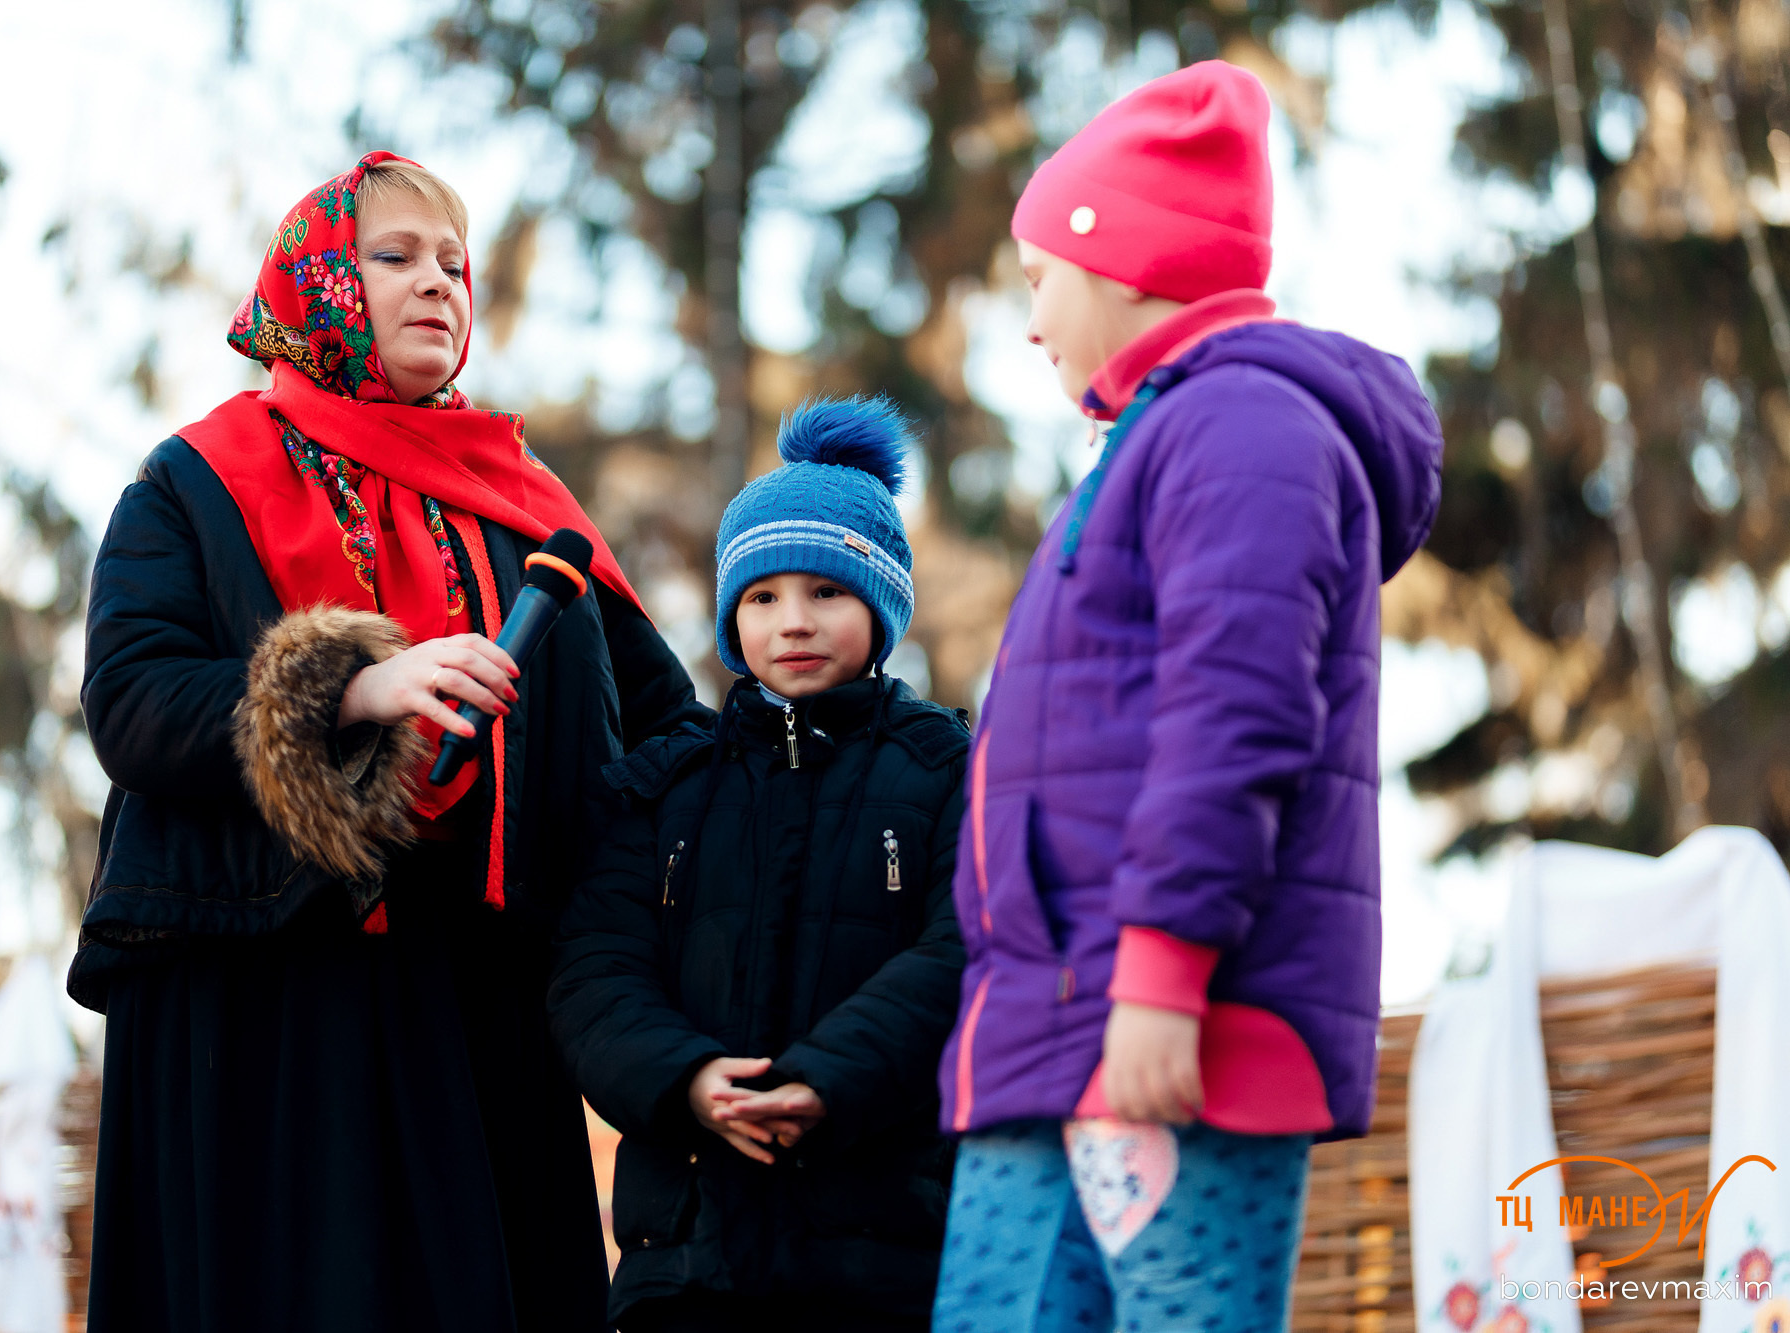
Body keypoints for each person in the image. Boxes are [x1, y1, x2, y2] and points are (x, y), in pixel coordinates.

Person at [68, 151, 707, 1333]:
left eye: (456, 265)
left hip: (482, 1010)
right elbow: (132, 701)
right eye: (397, 257)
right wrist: (355, 686)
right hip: (262, 995)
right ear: (315, 282)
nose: (439, 285)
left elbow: (671, 747)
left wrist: (846, 759)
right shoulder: (194, 480)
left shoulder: (531, 509)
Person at [931, 62, 1444, 1332]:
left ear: (1124, 263)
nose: (1032, 323)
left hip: (1169, 1033)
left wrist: (1161, 980)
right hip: (1055, 1032)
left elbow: (1235, 716)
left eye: (1038, 280)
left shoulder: (1242, 429)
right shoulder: (1154, 440)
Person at [549, 399, 971, 1333]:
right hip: (686, 1268)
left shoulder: (950, 771)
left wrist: (828, 1077)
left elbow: (962, 952)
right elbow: (595, 976)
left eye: (827, 591)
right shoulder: (662, 788)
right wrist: (690, 1079)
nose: (794, 622)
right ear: (732, 616)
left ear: (883, 602)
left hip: (886, 1257)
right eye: (762, 595)